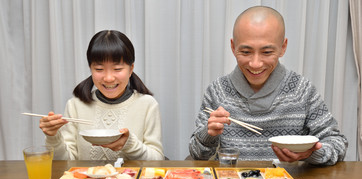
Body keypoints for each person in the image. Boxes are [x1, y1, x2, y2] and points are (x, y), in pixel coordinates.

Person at [189, 6, 348, 165]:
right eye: (245, 52)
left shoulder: (301, 91)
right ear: (233, 47)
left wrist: (309, 154)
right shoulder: (218, 91)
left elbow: (337, 143)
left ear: (283, 47)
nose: (255, 63)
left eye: (266, 52)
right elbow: (197, 154)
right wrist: (209, 133)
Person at [40, 30, 164, 160]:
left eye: (117, 69)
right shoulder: (75, 105)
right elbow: (65, 163)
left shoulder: (147, 105)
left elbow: (157, 160)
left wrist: (130, 144)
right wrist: (53, 136)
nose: (108, 78)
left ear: (131, 69)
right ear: (90, 68)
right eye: (99, 69)